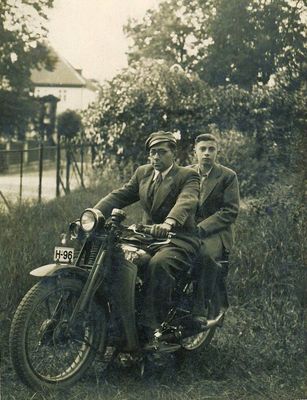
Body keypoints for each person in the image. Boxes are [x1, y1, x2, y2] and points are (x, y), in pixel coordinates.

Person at [94, 131, 200, 340]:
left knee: (158, 265)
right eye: (153, 153)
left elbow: (186, 201)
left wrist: (169, 222)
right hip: (147, 237)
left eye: (162, 152)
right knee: (115, 256)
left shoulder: (187, 176)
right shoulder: (143, 173)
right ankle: (119, 320)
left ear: (173, 154)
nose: (156, 157)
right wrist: (93, 214)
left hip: (178, 239)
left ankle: (150, 329)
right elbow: (119, 195)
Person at [190, 133, 240, 321]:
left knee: (204, 256)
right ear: (195, 151)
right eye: (202, 149)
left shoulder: (227, 176)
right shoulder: (186, 173)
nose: (207, 153)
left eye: (211, 149)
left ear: (217, 151)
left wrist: (200, 228)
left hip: (216, 232)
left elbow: (230, 211)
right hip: (188, 229)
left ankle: (200, 309)